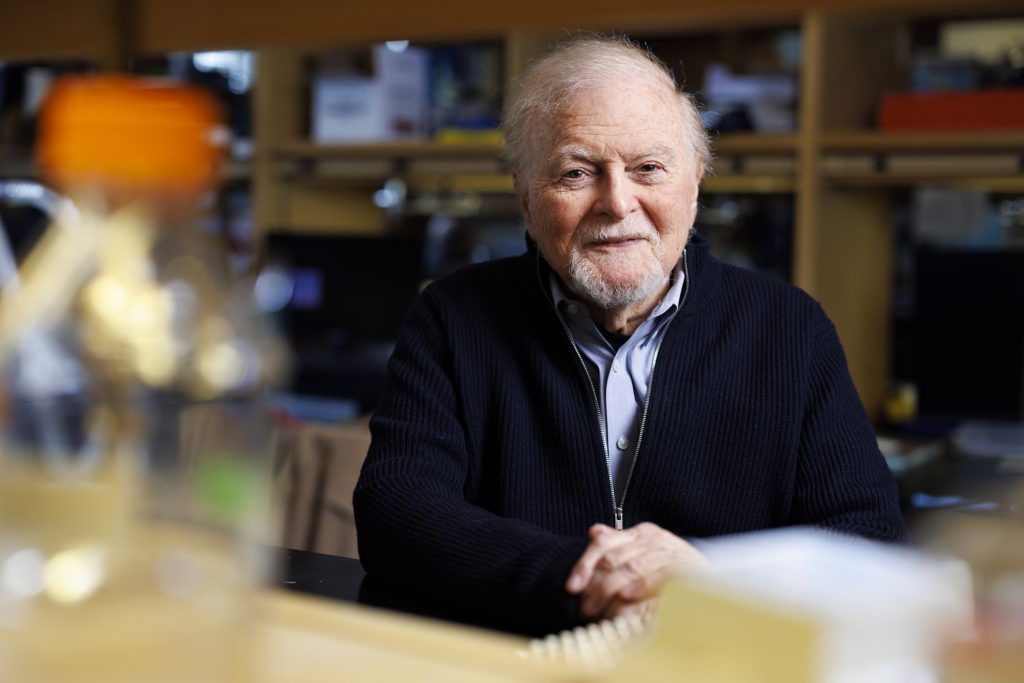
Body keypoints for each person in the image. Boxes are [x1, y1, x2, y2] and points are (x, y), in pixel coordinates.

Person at [353, 36, 906, 635]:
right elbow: (397, 513)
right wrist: (585, 579)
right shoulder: (452, 317)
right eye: (576, 172)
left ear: (695, 182)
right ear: (525, 195)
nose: (618, 203)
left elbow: (869, 537)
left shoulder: (790, 329)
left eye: (648, 168)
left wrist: (707, 577)